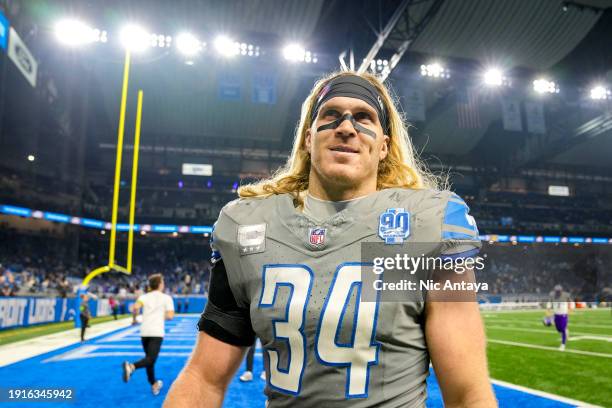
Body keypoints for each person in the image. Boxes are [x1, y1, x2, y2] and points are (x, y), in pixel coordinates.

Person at [165, 71, 496, 407]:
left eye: (364, 117)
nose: (347, 127)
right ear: (309, 138)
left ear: (383, 146)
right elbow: (204, 378)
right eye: (331, 115)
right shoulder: (248, 228)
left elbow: (467, 392)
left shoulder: (427, 224)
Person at [122, 274, 175, 395]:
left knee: (149, 359)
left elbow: (135, 308)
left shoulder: (144, 297)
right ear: (160, 284)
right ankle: (131, 367)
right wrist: (160, 315)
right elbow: (171, 316)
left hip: (144, 331)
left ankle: (154, 383)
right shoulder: (166, 298)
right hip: (156, 331)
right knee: (151, 359)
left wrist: (134, 319)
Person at [543, 284, 572, 350]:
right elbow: (549, 303)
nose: (558, 292)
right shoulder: (552, 295)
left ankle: (563, 345)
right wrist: (548, 310)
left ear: (561, 290)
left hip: (563, 314)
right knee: (559, 330)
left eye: (559, 291)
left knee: (563, 329)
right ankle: (566, 331)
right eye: (557, 291)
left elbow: (570, 302)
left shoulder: (565, 295)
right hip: (556, 315)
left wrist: (570, 309)